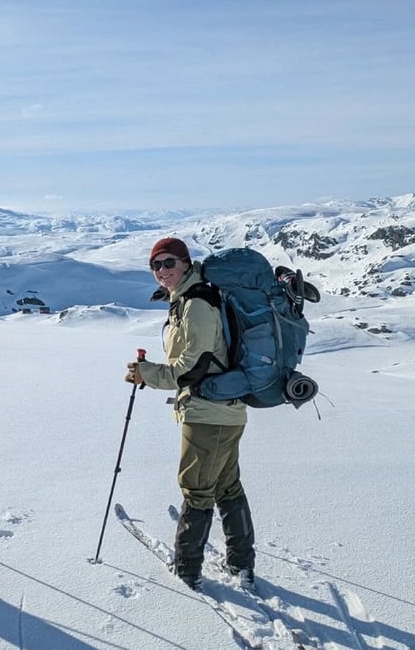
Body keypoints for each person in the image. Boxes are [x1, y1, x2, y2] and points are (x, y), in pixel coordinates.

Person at [124, 237, 255, 589]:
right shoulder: (188, 298)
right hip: (222, 409)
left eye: (169, 262)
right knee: (226, 485)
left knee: (196, 488)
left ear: (186, 263)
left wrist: (147, 374)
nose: (162, 270)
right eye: (156, 265)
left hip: (208, 413)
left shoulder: (196, 303)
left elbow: (193, 366)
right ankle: (241, 563)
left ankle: (186, 570)